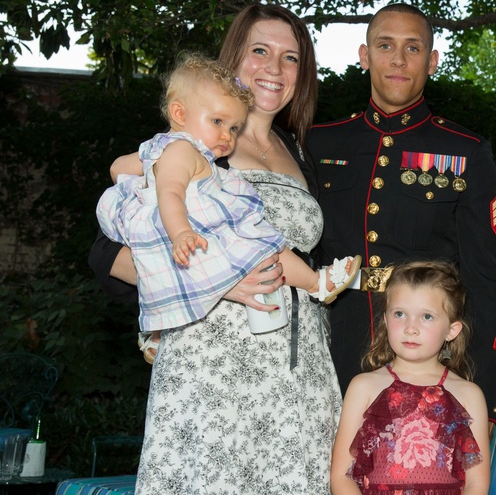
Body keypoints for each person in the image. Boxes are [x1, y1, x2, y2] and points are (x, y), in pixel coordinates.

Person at [88, 3, 344, 495]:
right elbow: (108, 256)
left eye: (290, 57)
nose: (275, 68)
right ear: (231, 59)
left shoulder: (296, 149)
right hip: (213, 371)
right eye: (260, 50)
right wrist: (219, 282)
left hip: (298, 372)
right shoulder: (200, 137)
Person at [305, 2, 496, 423]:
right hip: (329, 350)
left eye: (413, 48)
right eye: (385, 45)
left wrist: (483, 400)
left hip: (427, 362)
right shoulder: (320, 144)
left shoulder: (465, 151)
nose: (398, 59)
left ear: (432, 62)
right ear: (364, 56)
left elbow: (488, 282)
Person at [96, 53, 359, 345]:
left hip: (204, 230)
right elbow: (169, 193)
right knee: (266, 246)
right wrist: (181, 231)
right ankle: (315, 282)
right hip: (193, 228)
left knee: (266, 245)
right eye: (218, 121)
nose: (227, 136)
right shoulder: (182, 150)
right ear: (180, 115)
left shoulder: (189, 151)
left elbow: (120, 167)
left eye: (234, 128)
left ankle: (157, 333)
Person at [329, 260, 489, 495]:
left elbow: (477, 486)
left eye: (427, 317)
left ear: (453, 329)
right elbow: (341, 476)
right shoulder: (364, 387)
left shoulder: (468, 395)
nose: (411, 327)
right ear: (385, 320)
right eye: (400, 314)